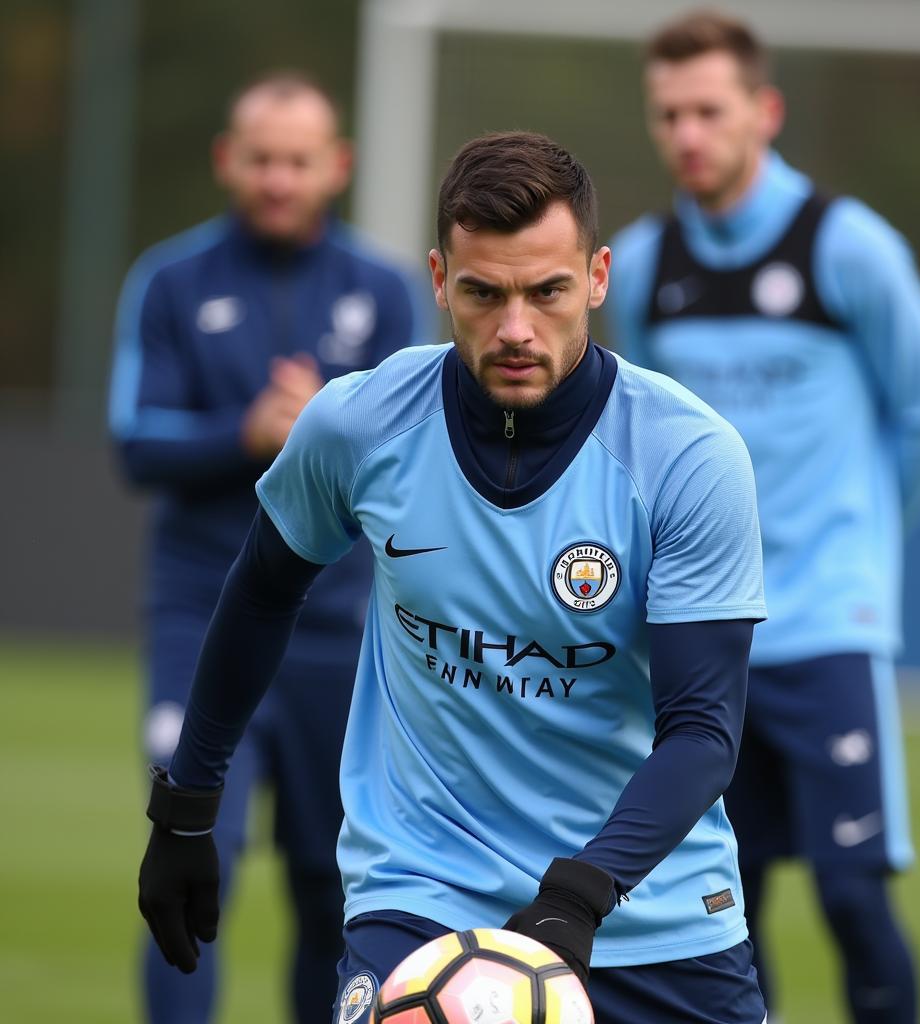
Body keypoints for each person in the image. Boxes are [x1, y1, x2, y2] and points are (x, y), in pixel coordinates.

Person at [134, 130, 772, 1024]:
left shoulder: (688, 456)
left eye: (547, 291)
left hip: (649, 914)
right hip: (424, 893)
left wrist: (579, 895)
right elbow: (261, 590)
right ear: (439, 281)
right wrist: (188, 804)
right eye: (484, 293)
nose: (516, 328)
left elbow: (703, 729)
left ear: (596, 277)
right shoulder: (358, 425)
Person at [605, 11, 920, 1023]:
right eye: (668, 113)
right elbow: (645, 435)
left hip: (824, 627)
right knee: (725, 903)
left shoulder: (848, 248)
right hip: (706, 633)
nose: (687, 134)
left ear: (763, 112)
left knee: (851, 892)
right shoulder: (639, 266)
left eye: (709, 111)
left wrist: (860, 539)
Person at [109, 72, 425, 1024]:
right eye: (262, 159)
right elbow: (135, 441)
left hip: (342, 630)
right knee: (198, 856)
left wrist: (324, 438)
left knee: (331, 885)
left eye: (299, 160)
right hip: (201, 617)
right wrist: (247, 434)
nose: (279, 179)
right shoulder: (171, 281)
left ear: (338, 166)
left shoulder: (385, 289)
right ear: (227, 161)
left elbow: (410, 460)